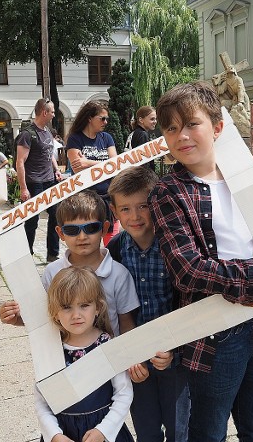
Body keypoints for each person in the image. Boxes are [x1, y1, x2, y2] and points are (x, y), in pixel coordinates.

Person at [148, 81, 253, 441]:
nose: (182, 135)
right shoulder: (168, 191)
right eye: (171, 128)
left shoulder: (247, 177)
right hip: (218, 334)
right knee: (209, 429)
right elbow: (188, 271)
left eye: (191, 124)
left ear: (217, 127)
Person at [107, 167, 189, 442]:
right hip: (137, 362)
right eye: (125, 209)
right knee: (146, 430)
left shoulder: (174, 246)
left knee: (180, 430)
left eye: (143, 206)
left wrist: (176, 350)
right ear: (115, 211)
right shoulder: (115, 251)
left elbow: (189, 302)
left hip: (175, 358)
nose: (135, 216)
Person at [0, 189, 139, 336]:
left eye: (91, 228)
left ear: (104, 229)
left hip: (110, 356)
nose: (82, 236)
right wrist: (16, 318)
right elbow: (43, 317)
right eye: (72, 230)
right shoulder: (52, 272)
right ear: (60, 233)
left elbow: (126, 323)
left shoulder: (119, 274)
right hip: (65, 357)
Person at [34, 266, 134, 442]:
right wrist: (54, 435)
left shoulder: (106, 345)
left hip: (103, 430)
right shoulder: (50, 349)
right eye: (66, 307)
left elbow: (124, 393)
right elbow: (42, 402)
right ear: (55, 312)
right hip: (63, 432)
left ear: (97, 308)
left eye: (84, 305)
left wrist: (103, 431)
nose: (76, 315)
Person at [15, 98, 63, 262]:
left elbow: (49, 155)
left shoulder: (47, 131)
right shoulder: (27, 134)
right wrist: (23, 188)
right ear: (44, 112)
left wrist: (56, 170)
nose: (54, 114)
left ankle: (52, 253)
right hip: (34, 183)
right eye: (52, 111)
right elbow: (20, 162)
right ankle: (26, 255)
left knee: (56, 216)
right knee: (31, 221)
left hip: (50, 182)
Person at [66, 101, 119, 245]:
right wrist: (105, 165)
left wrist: (88, 163)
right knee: (90, 238)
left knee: (112, 239)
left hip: (108, 195)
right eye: (102, 118)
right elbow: (78, 169)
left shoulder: (106, 138)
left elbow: (115, 165)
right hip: (86, 198)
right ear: (90, 118)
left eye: (107, 119)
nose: (106, 122)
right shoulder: (75, 139)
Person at [125, 106, 157, 171]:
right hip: (142, 177)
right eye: (152, 119)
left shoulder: (134, 133)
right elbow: (144, 162)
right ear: (141, 120)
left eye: (156, 119)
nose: (155, 121)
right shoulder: (143, 134)